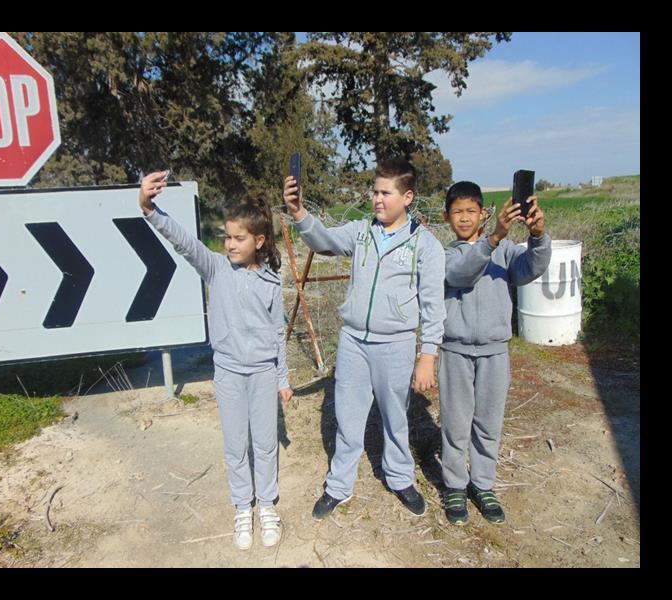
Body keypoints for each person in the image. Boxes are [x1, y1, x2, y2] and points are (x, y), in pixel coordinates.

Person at [282, 158, 446, 520]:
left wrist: (428, 354)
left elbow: (434, 306)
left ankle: (400, 478)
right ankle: (338, 486)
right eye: (374, 191)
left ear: (407, 197)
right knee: (348, 417)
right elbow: (323, 240)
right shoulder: (360, 232)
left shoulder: (425, 246)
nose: (376, 199)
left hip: (397, 344)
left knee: (395, 417)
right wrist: (298, 213)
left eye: (385, 193)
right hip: (354, 340)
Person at [139, 171, 293, 550]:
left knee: (266, 443)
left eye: (239, 238)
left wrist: (283, 378)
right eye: (227, 236)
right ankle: (243, 506)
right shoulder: (215, 268)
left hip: (261, 374)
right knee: (235, 444)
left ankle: (266, 506)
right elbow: (183, 241)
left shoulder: (272, 280)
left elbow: (278, 333)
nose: (230, 244)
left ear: (259, 240)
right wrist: (148, 208)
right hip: (227, 374)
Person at [439, 181, 551, 525]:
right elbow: (460, 275)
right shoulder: (445, 255)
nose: (464, 218)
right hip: (454, 351)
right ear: (446, 217)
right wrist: (493, 239)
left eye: (471, 211)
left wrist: (537, 236)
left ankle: (483, 484)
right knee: (456, 425)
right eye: (457, 211)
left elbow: (532, 268)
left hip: (495, 353)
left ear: (484, 214)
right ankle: (455, 486)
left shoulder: (506, 252)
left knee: (488, 423)